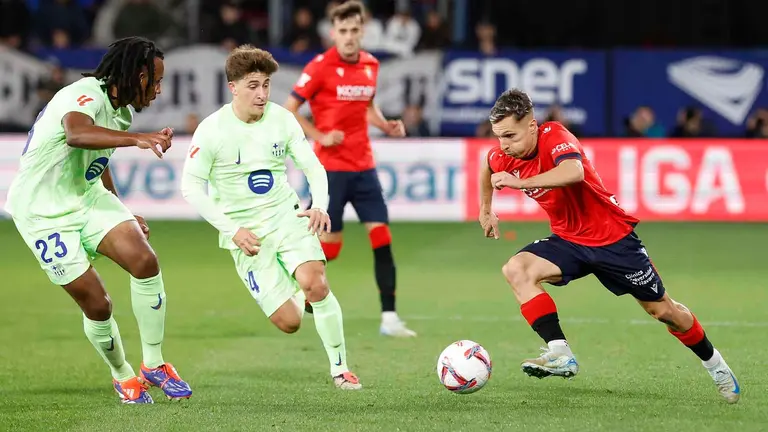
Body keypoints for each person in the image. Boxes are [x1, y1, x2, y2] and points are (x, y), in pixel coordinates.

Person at [478, 89, 740, 404]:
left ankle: (716, 365)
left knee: (664, 311)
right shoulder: (503, 154)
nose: (504, 144)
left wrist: (520, 182)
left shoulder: (555, 136)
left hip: (613, 240)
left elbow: (573, 172)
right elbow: (488, 166)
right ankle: (560, 353)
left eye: (510, 135)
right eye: (498, 137)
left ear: (532, 126)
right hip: (569, 240)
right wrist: (486, 209)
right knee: (516, 269)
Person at [4, 37, 192, 404]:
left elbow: (97, 159)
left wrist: (121, 209)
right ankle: (122, 374)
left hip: (85, 197)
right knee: (98, 304)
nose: (158, 89)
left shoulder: (121, 110)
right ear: (138, 76)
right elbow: (76, 134)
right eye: (155, 81)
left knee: (144, 260)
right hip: (42, 212)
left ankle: (154, 364)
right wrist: (137, 139)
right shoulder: (86, 94)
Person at [180, 45, 361, 390]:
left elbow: (312, 166)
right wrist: (232, 230)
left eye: (265, 85)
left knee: (316, 282)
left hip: (286, 214)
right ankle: (298, 295)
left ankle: (341, 369)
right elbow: (191, 187)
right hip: (245, 233)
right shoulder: (213, 129)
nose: (262, 94)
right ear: (233, 87)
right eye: (252, 85)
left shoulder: (282, 118)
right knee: (289, 322)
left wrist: (320, 204)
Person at [284, 0, 416, 337]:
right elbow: (290, 109)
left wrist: (385, 125)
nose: (349, 37)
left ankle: (390, 318)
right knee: (331, 248)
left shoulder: (371, 64)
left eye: (354, 30)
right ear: (333, 33)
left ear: (363, 30)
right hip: (329, 171)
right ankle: (300, 290)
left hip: (364, 167)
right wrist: (320, 136)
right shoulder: (319, 66)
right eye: (342, 31)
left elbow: (368, 103)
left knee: (382, 239)